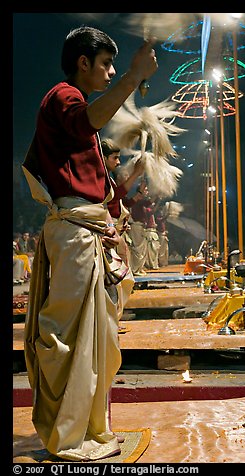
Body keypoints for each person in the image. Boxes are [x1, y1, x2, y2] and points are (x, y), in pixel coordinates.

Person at [22, 25, 158, 461]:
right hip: (75, 233)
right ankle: (68, 434)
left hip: (89, 231)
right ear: (83, 62)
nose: (111, 71)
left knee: (97, 340)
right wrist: (133, 78)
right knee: (68, 337)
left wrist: (109, 225)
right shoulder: (65, 96)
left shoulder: (74, 104)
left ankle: (89, 428)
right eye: (106, 64)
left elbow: (99, 181)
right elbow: (87, 121)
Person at [100, 138, 146, 267]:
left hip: (115, 228)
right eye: (115, 158)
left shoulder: (108, 179)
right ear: (103, 158)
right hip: (109, 231)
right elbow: (117, 196)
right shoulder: (100, 178)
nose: (118, 162)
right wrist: (136, 173)